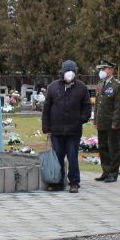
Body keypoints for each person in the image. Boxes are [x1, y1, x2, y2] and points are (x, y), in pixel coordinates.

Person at [41, 59, 92, 193]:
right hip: (56, 130)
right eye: (67, 71)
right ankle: (58, 182)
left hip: (74, 130)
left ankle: (74, 182)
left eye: (72, 71)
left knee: (72, 156)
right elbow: (46, 108)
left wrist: (80, 119)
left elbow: (87, 107)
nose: (69, 74)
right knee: (58, 157)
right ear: (62, 73)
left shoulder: (81, 87)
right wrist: (46, 128)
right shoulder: (53, 87)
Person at [93, 60, 120, 183]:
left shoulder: (117, 85)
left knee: (113, 148)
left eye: (104, 69)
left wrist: (115, 122)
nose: (101, 71)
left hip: (112, 123)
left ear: (111, 70)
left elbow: (119, 106)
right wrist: (95, 120)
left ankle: (113, 173)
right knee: (103, 147)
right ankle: (105, 171)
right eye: (101, 69)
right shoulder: (101, 83)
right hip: (102, 122)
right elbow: (97, 104)